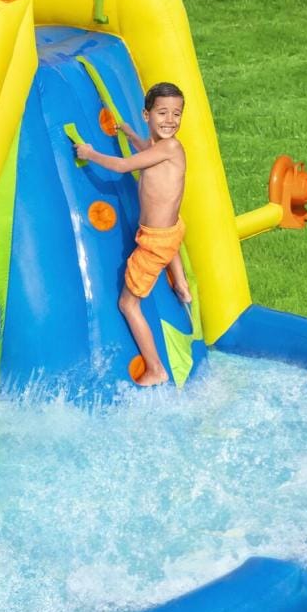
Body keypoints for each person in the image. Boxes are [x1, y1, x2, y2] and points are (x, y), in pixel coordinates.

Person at [75, 82, 191, 386]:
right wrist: (131, 135)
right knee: (171, 241)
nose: (170, 120)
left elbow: (124, 166)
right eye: (162, 113)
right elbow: (148, 154)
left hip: (156, 241)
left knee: (127, 304)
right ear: (146, 115)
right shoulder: (161, 149)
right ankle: (181, 284)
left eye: (176, 114)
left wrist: (90, 153)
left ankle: (156, 369)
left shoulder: (171, 147)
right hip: (167, 232)